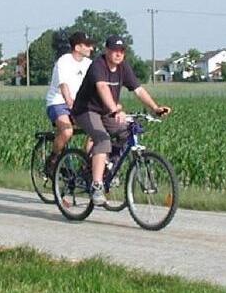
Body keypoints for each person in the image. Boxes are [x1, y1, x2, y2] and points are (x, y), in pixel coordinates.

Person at [71, 35, 170, 206]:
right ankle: (96, 186)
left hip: (106, 111)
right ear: (107, 50)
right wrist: (115, 109)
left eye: (122, 51)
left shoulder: (124, 68)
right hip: (86, 110)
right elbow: (102, 87)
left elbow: (138, 90)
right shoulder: (98, 65)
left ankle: (108, 167)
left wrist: (155, 108)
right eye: (115, 50)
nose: (118, 54)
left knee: (128, 132)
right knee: (102, 139)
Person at [44, 31, 95, 174]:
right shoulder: (64, 61)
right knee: (67, 131)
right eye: (87, 45)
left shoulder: (89, 64)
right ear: (77, 47)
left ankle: (86, 163)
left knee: (97, 131)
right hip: (58, 102)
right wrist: (70, 103)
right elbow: (64, 85)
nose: (91, 48)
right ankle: (53, 159)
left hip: (78, 104)